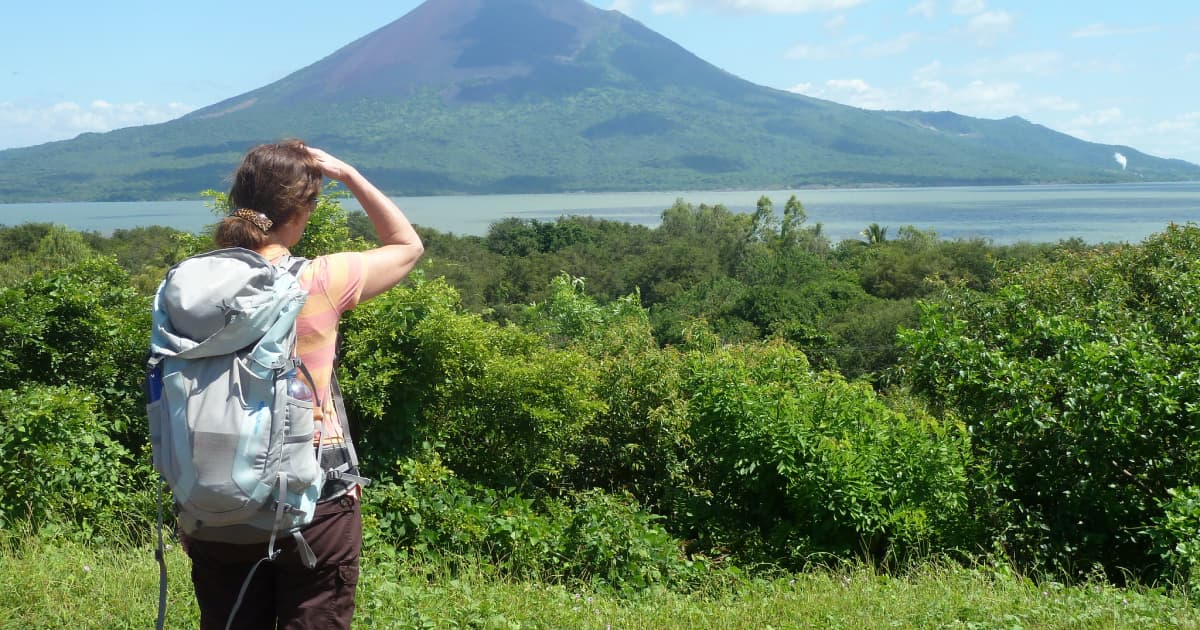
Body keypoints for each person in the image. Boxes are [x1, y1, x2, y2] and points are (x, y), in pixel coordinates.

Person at [183, 139, 424, 629]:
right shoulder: (317, 279)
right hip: (316, 496)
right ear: (304, 208)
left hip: (214, 495)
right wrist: (350, 175)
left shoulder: (188, 289)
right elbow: (407, 246)